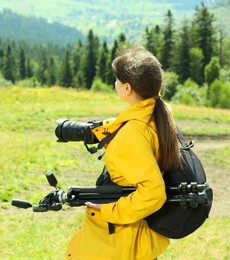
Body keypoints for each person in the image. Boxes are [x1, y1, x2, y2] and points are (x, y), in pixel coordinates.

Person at [65, 46, 181, 260]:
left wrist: (107, 210)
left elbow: (153, 192)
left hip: (122, 236)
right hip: (140, 231)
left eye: (118, 80)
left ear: (127, 88)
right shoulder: (158, 115)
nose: (115, 84)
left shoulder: (131, 135)